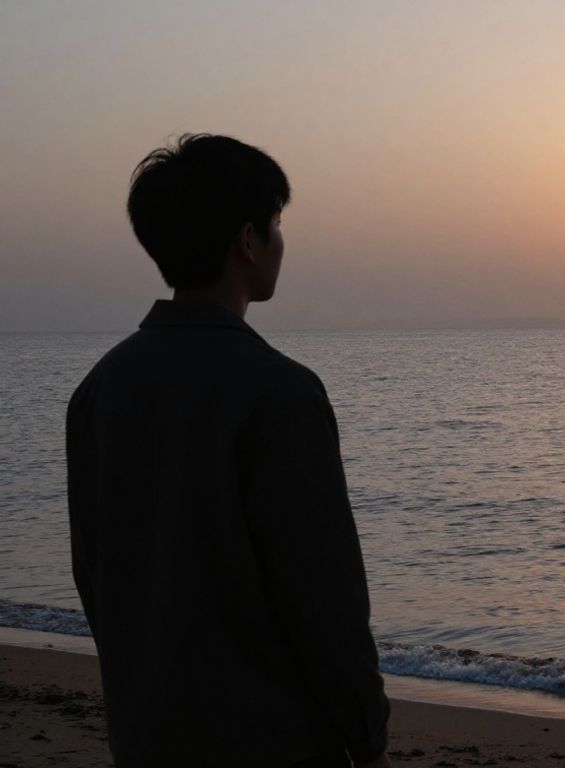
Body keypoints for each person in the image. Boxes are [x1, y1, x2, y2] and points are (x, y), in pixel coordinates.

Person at [66, 134, 391, 767]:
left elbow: (97, 578)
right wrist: (367, 736)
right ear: (247, 241)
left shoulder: (98, 393)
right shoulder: (279, 393)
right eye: (276, 222)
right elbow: (324, 599)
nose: (281, 240)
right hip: (272, 743)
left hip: (148, 738)